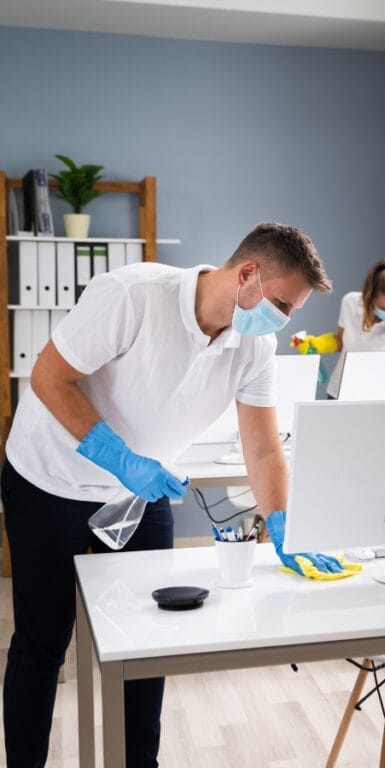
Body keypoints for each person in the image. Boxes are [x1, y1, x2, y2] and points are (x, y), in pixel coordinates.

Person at [1, 222, 353, 768]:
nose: (283, 320)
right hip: (50, 480)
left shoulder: (254, 344)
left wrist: (282, 524)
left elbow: (262, 449)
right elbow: (48, 378)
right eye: (282, 303)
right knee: (44, 641)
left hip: (140, 495)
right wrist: (119, 459)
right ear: (248, 274)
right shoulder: (133, 296)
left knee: (149, 642)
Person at [291, 258, 385, 398]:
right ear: (370, 297)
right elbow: (341, 340)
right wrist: (318, 344)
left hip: (376, 397)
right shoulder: (350, 302)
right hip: (338, 392)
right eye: (384, 308)